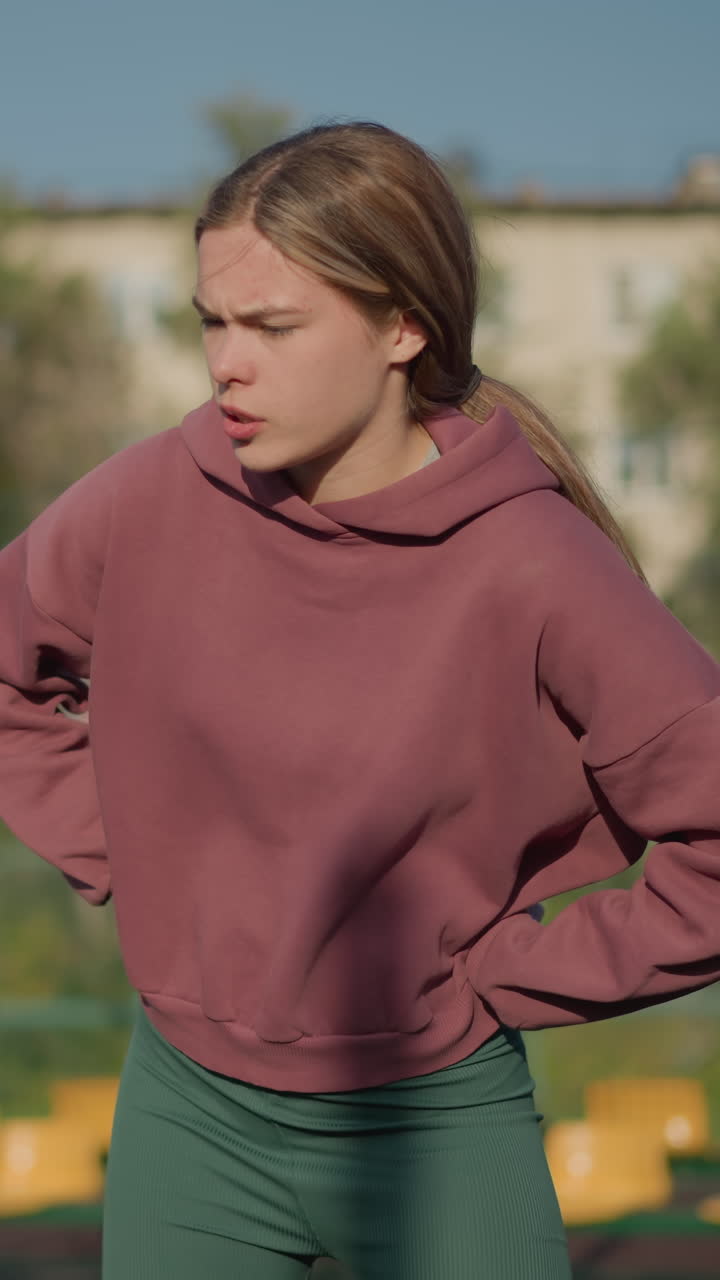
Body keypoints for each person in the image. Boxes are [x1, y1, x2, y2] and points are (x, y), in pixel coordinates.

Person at [1, 121, 719, 1280]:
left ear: (402, 326)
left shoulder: (534, 560)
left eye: (273, 327)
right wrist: (142, 853)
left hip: (437, 1124)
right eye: (211, 322)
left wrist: (519, 973)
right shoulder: (149, 497)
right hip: (189, 1115)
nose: (227, 362)